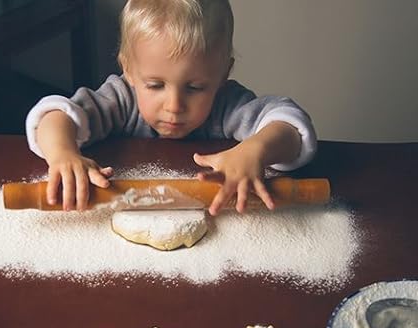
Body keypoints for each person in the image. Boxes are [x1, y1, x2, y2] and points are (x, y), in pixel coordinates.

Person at [25, 0, 316, 215]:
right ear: (128, 69)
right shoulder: (121, 100)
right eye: (155, 85)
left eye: (195, 87)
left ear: (222, 74)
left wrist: (255, 151)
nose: (174, 106)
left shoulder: (226, 106)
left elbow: (290, 125)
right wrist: (63, 153)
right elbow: (55, 114)